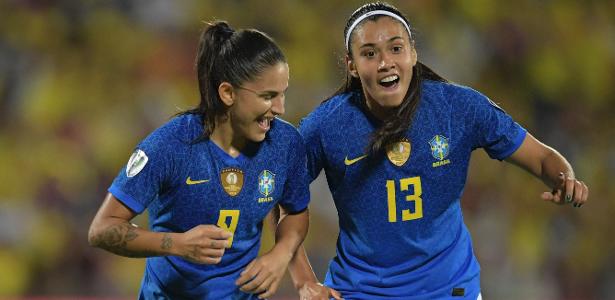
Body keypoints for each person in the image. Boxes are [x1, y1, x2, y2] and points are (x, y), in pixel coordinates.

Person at [289, 2, 589, 300]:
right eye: (369, 53)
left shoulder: (459, 108)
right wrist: (303, 280)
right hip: (360, 292)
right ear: (352, 65)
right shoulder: (326, 126)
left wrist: (563, 179)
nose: (385, 62)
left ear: (413, 53)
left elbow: (541, 157)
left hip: (449, 290)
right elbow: (284, 196)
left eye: (396, 49)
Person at [88, 20, 311, 300]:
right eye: (268, 96)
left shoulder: (286, 144)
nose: (280, 108)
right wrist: (176, 244)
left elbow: (295, 212)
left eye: (282, 94)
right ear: (228, 93)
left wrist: (281, 253)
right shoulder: (170, 146)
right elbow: (102, 229)